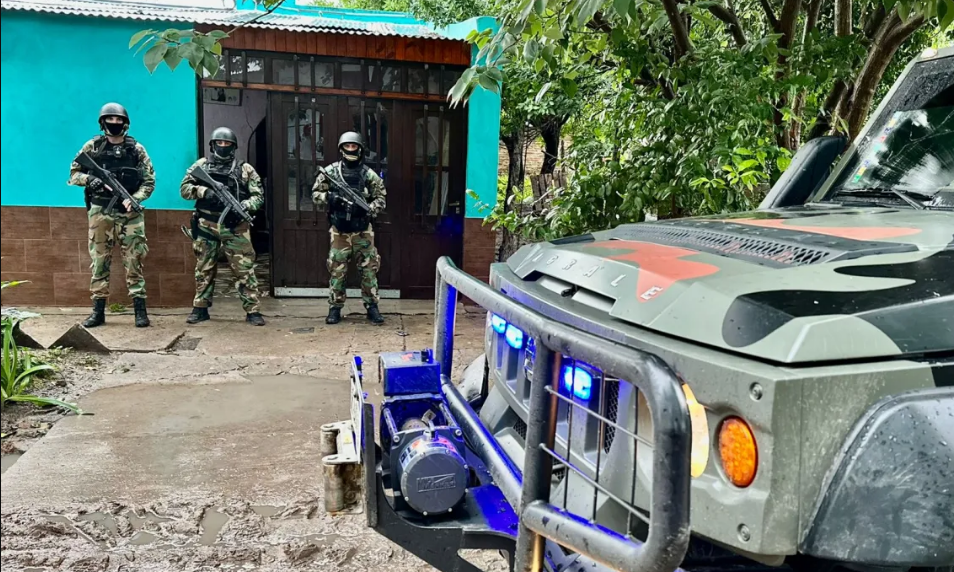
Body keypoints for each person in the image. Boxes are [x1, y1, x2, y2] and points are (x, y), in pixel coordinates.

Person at [68, 102, 155, 328]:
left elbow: (149, 181)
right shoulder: (93, 146)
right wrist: (90, 179)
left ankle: (140, 311)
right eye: (110, 119)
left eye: (119, 120)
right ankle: (98, 312)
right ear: (102, 122)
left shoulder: (137, 149)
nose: (114, 123)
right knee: (99, 261)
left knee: (134, 260)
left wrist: (135, 199)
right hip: (100, 212)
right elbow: (74, 174)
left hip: (130, 214)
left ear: (125, 124)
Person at [179, 127, 266, 326]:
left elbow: (258, 196)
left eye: (227, 144)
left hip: (235, 227)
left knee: (244, 269)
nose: (223, 146)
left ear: (233, 147)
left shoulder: (245, 169)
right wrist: (204, 192)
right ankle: (200, 308)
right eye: (220, 143)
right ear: (213, 145)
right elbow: (184, 189)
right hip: (206, 225)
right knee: (204, 268)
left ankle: (252, 310)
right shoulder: (201, 165)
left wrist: (245, 205)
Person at [312, 132, 387, 325]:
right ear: (341, 148)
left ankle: (372, 307)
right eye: (348, 146)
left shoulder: (368, 174)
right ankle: (335, 308)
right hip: (340, 231)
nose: (351, 149)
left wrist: (368, 209)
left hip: (363, 230)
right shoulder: (331, 172)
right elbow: (315, 194)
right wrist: (331, 198)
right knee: (337, 270)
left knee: (369, 270)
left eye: (354, 146)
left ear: (360, 149)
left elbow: (381, 199)